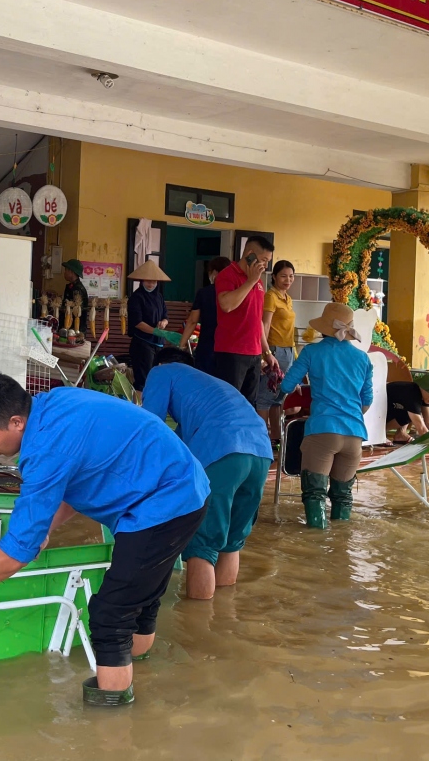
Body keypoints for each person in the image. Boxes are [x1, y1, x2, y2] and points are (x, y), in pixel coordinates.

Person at [0, 374, 209, 707]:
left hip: (165, 503)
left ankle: (113, 725)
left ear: (17, 422)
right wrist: (44, 526)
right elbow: (77, 477)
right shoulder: (54, 404)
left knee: (110, 615)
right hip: (183, 486)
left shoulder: (44, 452)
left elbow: (13, 557)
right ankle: (137, 671)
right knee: (138, 597)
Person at [142, 348, 271, 600]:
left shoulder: (161, 371)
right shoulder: (208, 387)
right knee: (232, 539)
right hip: (261, 452)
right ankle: (220, 618)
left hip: (223, 450)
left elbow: (150, 426)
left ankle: (198, 625)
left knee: (202, 544)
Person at [276, 302, 373, 529]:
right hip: (354, 436)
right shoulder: (363, 358)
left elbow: (288, 385)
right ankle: (340, 551)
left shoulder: (312, 351)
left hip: (322, 431)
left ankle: (317, 551)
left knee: (314, 493)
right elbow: (366, 402)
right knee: (343, 496)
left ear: (322, 328)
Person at [214, 237, 278, 401]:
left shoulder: (258, 282)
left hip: (254, 352)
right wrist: (250, 281)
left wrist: (267, 352)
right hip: (232, 352)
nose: (265, 265)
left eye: (268, 261)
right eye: (263, 260)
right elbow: (226, 305)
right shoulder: (227, 275)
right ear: (250, 254)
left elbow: (257, 319)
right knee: (230, 404)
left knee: (249, 405)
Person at [254, 259, 297, 441]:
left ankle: (277, 439)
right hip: (273, 350)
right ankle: (262, 441)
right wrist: (265, 353)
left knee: (279, 397)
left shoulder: (287, 298)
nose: (288, 280)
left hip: (288, 351)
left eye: (291, 276)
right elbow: (265, 325)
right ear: (274, 277)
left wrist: (294, 354)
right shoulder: (271, 296)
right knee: (265, 397)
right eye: (283, 276)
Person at [126, 259, 173, 393]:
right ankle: (140, 407)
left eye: (154, 281)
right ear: (142, 281)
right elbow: (138, 323)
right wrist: (156, 331)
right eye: (148, 280)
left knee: (155, 379)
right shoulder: (136, 297)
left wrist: (163, 323)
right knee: (143, 380)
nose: (151, 284)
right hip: (142, 344)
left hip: (157, 344)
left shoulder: (159, 297)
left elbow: (165, 316)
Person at [180, 256, 231, 374]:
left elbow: (193, 321)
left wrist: (182, 345)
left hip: (207, 347)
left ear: (214, 272)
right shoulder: (236, 293)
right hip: (230, 349)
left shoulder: (204, 293)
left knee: (204, 383)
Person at [387, 371, 429, 443]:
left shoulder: (424, 396)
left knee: (412, 412)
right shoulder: (411, 394)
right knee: (413, 413)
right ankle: (379, 433)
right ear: (423, 388)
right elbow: (422, 429)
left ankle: (400, 434)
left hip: (389, 411)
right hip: (376, 414)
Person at [62, 259, 90, 328]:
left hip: (75, 328)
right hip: (68, 325)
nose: (64, 272)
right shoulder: (71, 287)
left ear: (71, 272)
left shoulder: (78, 289)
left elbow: (76, 311)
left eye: (66, 270)